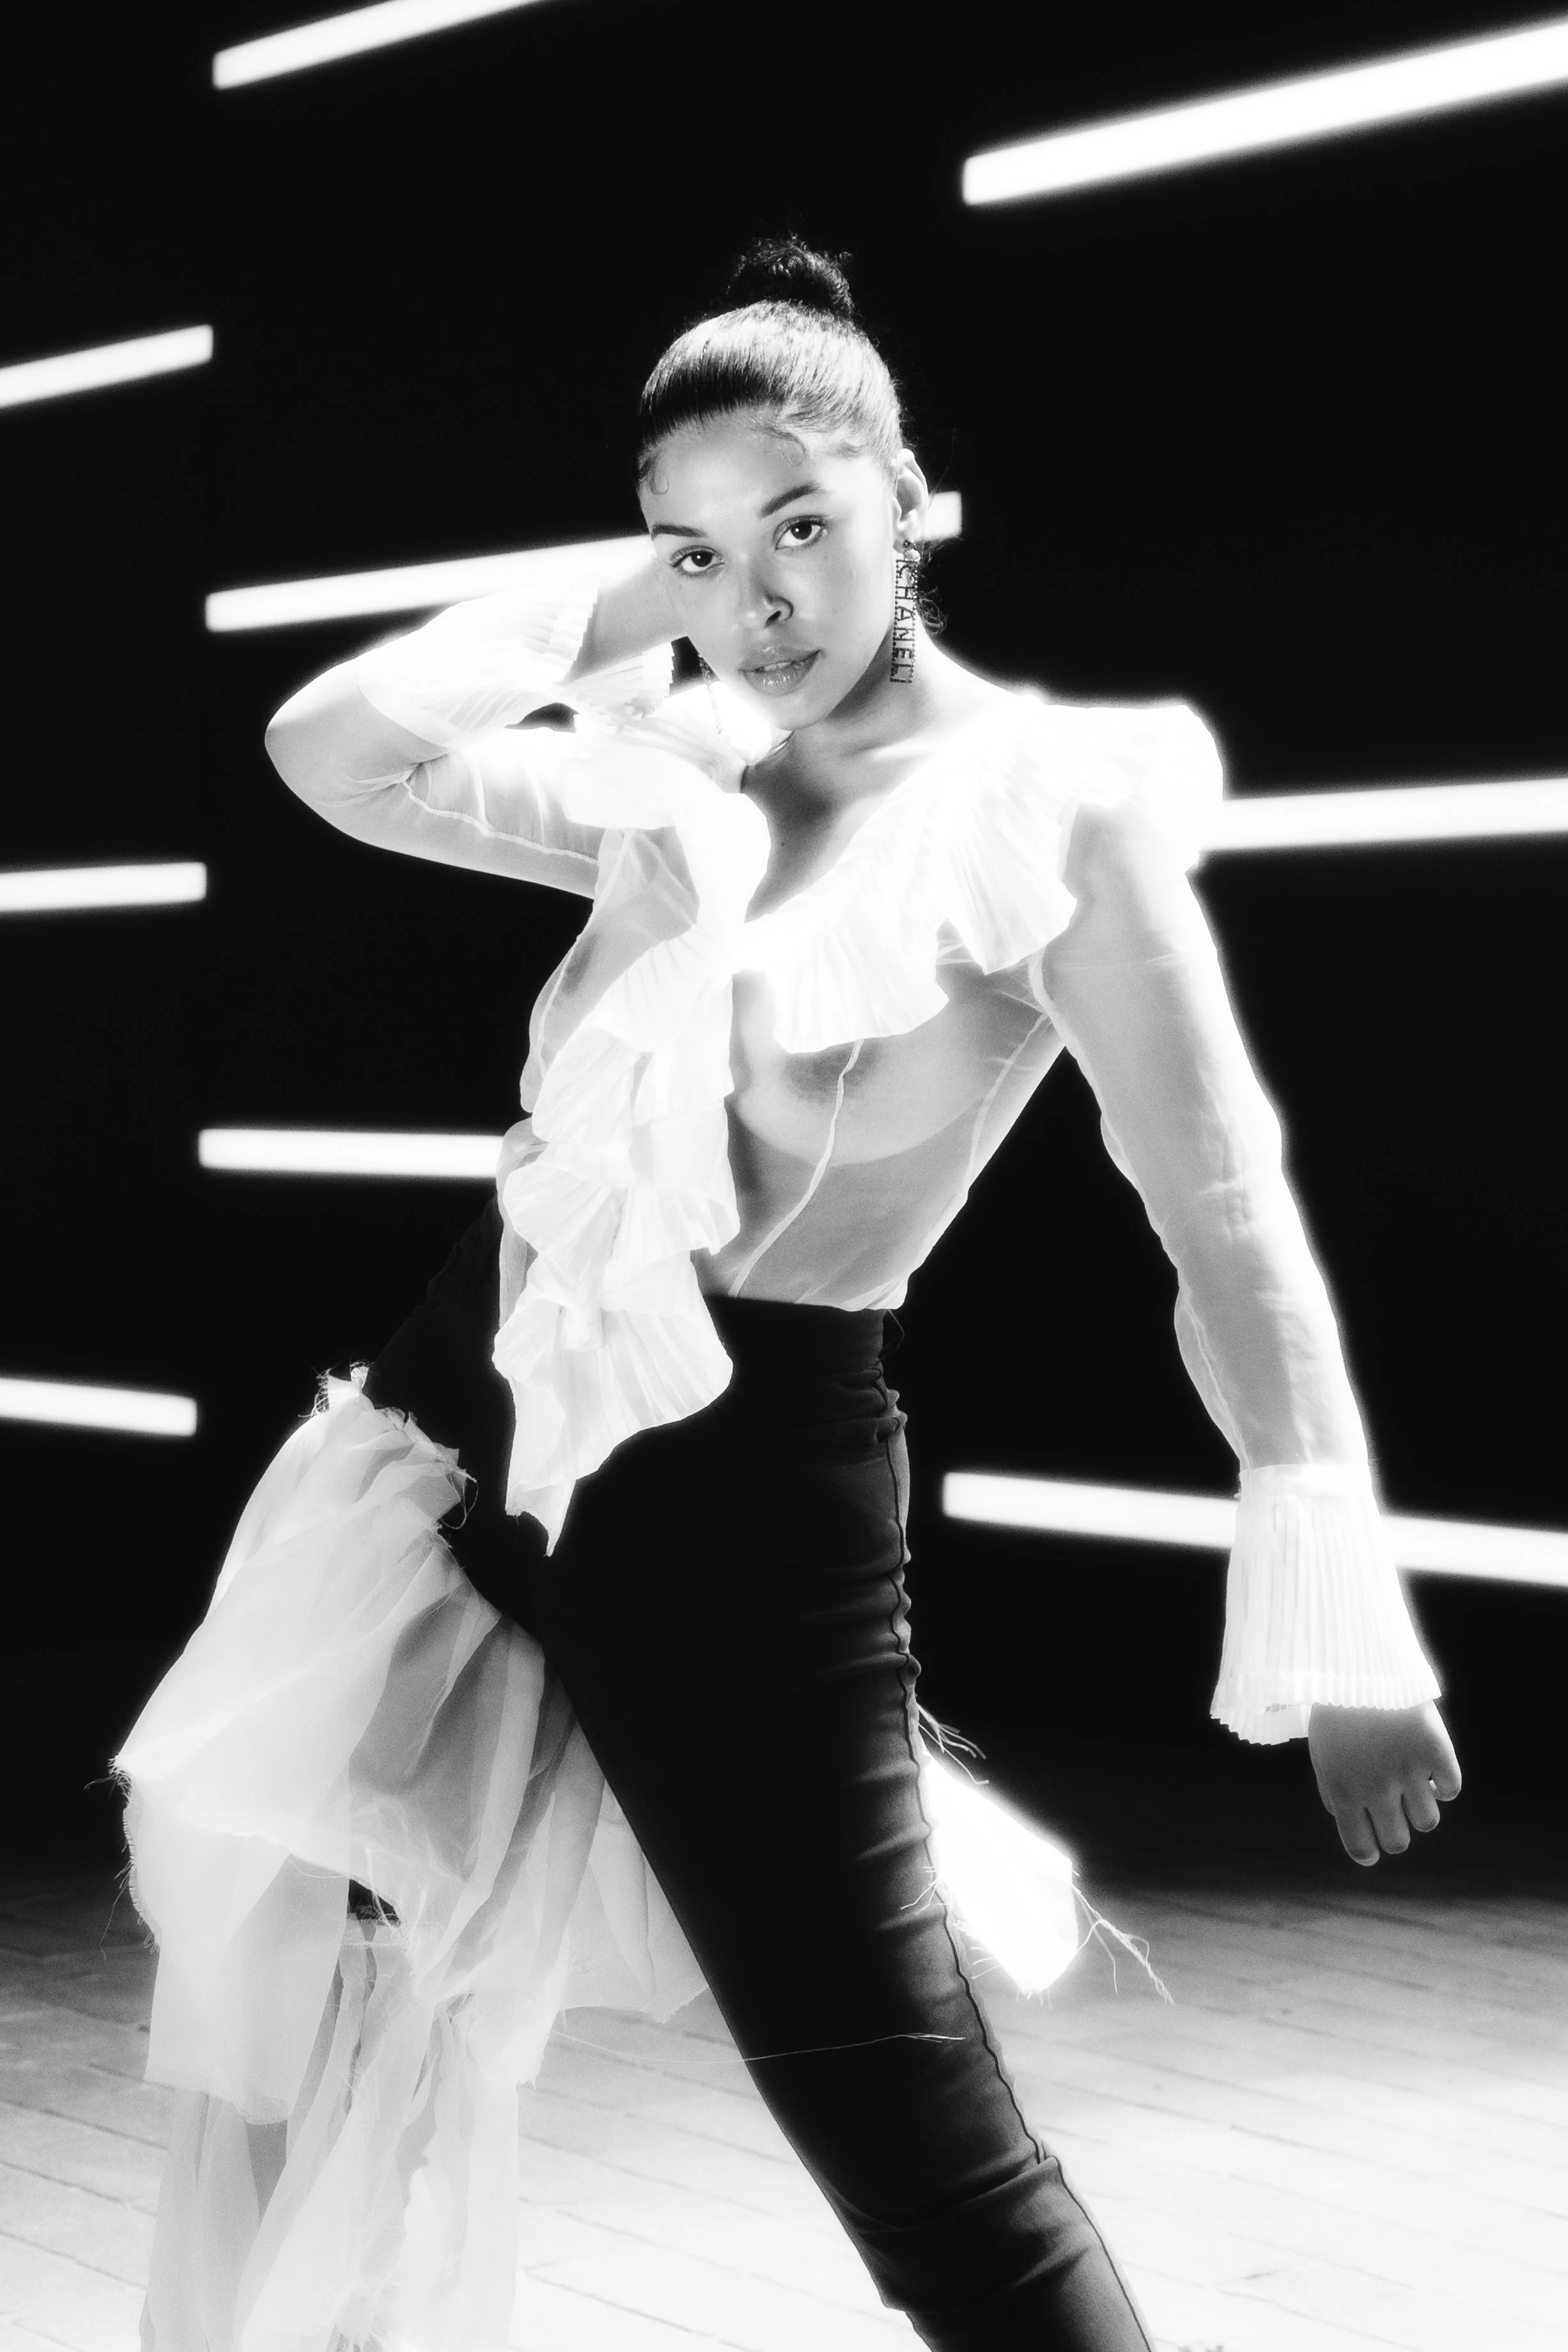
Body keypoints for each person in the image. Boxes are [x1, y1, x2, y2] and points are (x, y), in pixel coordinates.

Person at [116, 236, 1462, 2352]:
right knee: (312, 1951)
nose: (757, 602)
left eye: (802, 528)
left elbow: (1225, 1225)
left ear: (909, 491)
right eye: (698, 549)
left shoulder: (1051, 818)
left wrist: (1344, 1615)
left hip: (738, 1490)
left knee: (899, 2108)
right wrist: (615, 604)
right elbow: (328, 752)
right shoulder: (679, 768)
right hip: (477, 1368)